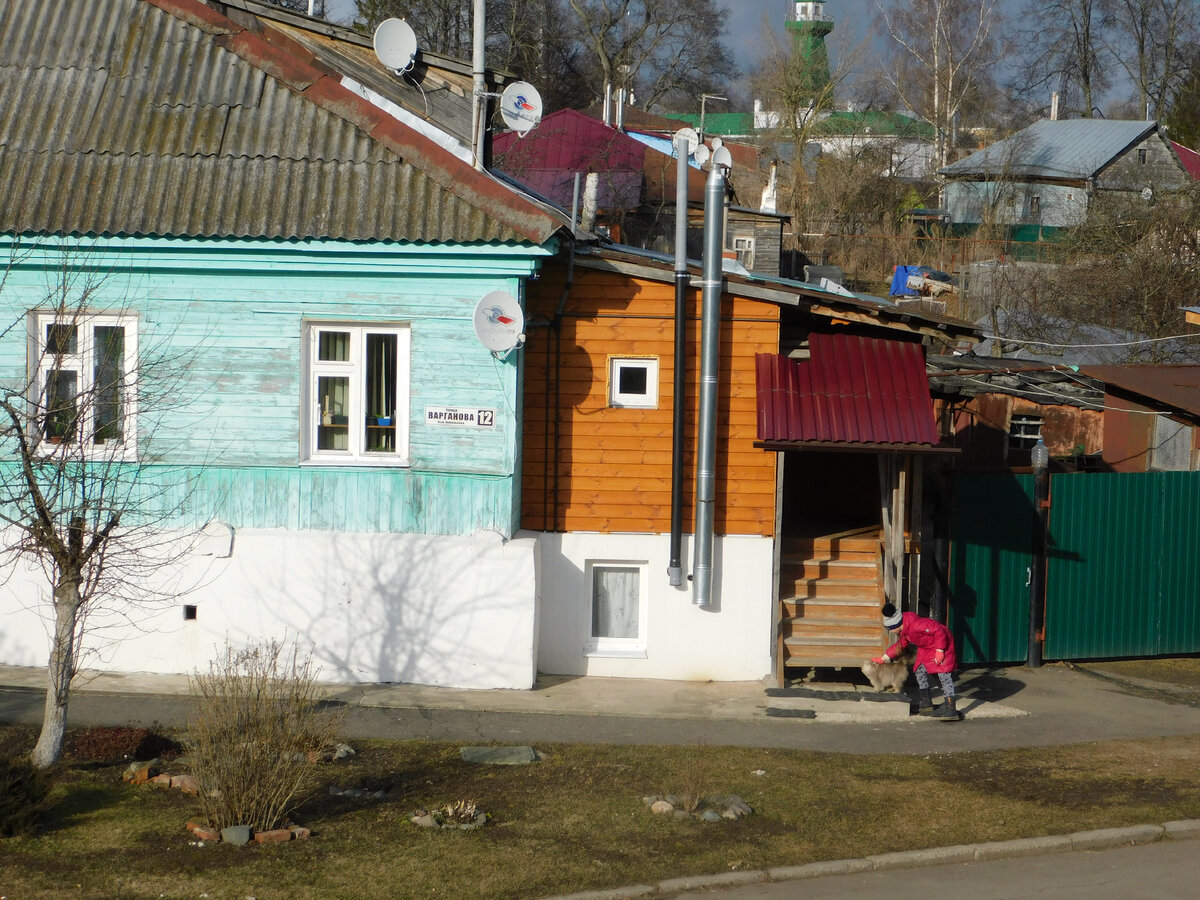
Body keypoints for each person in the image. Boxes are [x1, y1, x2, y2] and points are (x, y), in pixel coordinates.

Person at [871, 602, 962, 721]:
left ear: (896, 625)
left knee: (943, 673)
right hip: (926, 648)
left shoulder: (916, 625)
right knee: (919, 669)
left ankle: (951, 708)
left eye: (890, 629)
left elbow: (939, 630)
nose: (890, 631)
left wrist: (940, 651)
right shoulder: (904, 631)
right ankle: (926, 703)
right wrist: (885, 657)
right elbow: (901, 645)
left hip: (942, 644)